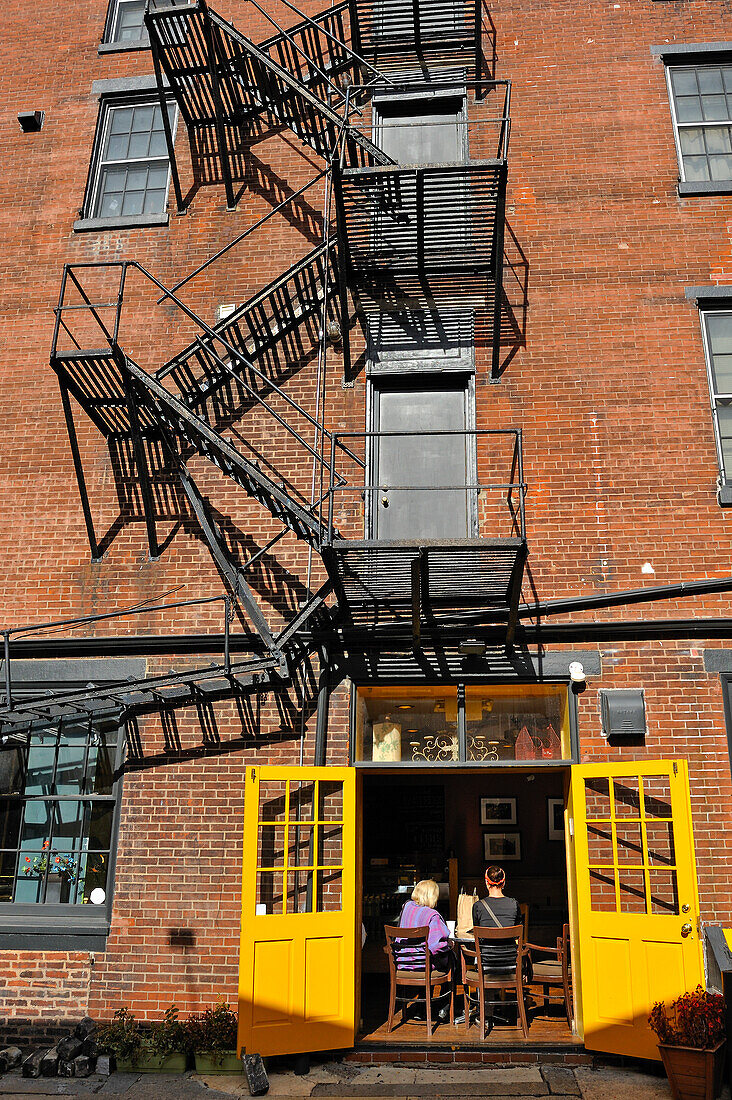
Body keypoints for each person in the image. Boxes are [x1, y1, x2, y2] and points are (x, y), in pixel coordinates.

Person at [394, 879, 454, 1022]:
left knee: (427, 957)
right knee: (452, 960)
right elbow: (436, 946)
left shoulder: (406, 907)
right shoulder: (432, 915)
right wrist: (450, 944)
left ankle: (421, 1007)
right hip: (423, 966)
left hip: (403, 963)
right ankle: (444, 1008)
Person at [471, 865, 522, 969]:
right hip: (510, 959)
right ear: (504, 882)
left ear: (486, 882)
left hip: (486, 960)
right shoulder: (514, 904)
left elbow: (478, 934)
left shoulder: (478, 906)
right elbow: (517, 933)